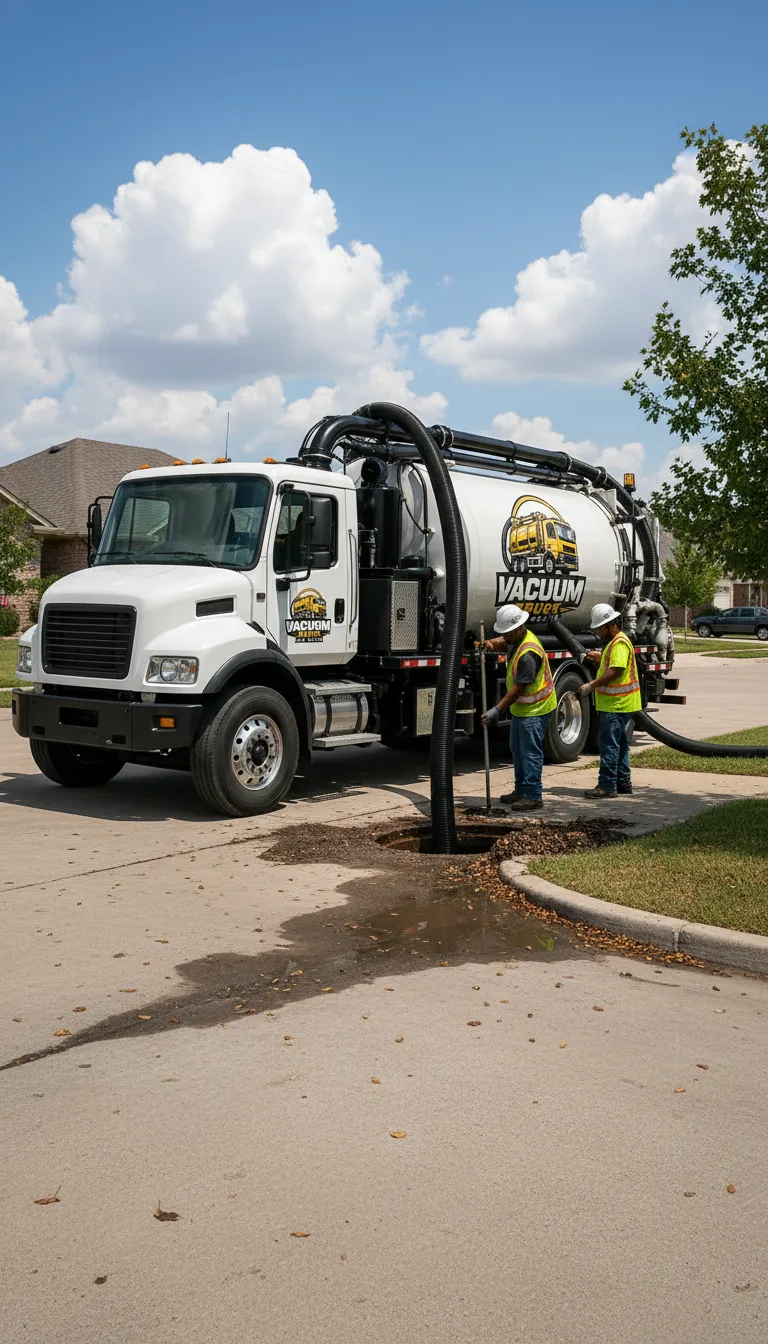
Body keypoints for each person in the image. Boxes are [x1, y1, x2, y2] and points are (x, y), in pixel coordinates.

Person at [481, 604, 557, 811]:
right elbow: (504, 643)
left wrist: (497, 709)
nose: (504, 637)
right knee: (517, 750)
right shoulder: (517, 639)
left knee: (529, 752)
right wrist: (489, 644)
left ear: (519, 628)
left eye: (507, 633)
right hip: (523, 709)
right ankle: (521, 790)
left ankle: (533, 796)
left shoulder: (528, 653)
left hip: (536, 709)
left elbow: (518, 688)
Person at [578, 603, 642, 799]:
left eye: (599, 628)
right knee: (620, 745)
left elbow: (615, 671)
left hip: (617, 704)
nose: (598, 632)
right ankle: (623, 783)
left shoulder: (619, 643)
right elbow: (612, 661)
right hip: (621, 703)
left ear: (608, 625)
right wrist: (599, 657)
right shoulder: (615, 642)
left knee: (609, 745)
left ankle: (606, 786)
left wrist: (591, 685)